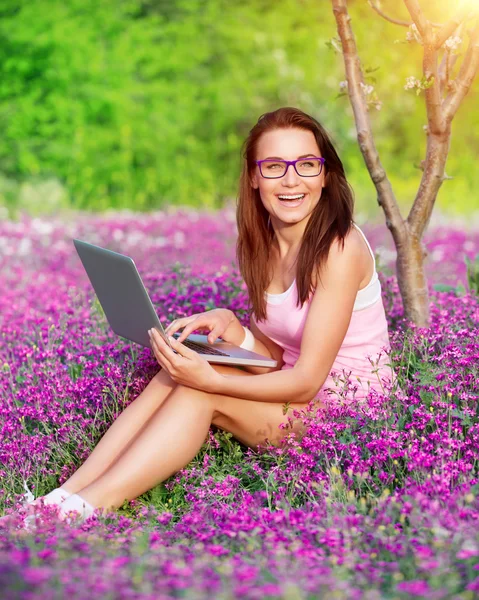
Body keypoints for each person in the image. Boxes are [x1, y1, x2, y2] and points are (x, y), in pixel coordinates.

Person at [12, 107, 393, 527]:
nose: (291, 180)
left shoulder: (339, 249)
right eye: (273, 166)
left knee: (199, 389)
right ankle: (61, 497)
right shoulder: (264, 244)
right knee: (176, 373)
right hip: (297, 398)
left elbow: (306, 382)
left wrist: (212, 380)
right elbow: (280, 351)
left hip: (348, 421)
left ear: (325, 175)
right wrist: (236, 330)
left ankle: (84, 511)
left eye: (306, 164)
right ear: (253, 177)